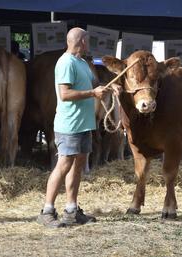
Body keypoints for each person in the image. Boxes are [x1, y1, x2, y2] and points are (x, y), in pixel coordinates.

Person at [37, 27, 116, 228]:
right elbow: (64, 94)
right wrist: (92, 93)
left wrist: (109, 86)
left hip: (83, 123)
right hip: (69, 124)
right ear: (80, 42)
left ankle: (71, 210)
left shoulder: (82, 63)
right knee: (63, 164)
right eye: (87, 41)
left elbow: (94, 85)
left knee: (78, 165)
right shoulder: (65, 63)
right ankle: (47, 211)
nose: (88, 45)